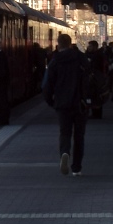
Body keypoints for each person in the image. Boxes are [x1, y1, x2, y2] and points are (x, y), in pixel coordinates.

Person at [42, 33, 89, 176]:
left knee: (65, 132)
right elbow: (89, 78)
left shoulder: (55, 61)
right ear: (70, 44)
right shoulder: (81, 58)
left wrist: (51, 101)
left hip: (62, 104)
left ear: (58, 45)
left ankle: (64, 152)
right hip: (80, 103)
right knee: (79, 135)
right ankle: (77, 168)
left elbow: (47, 85)